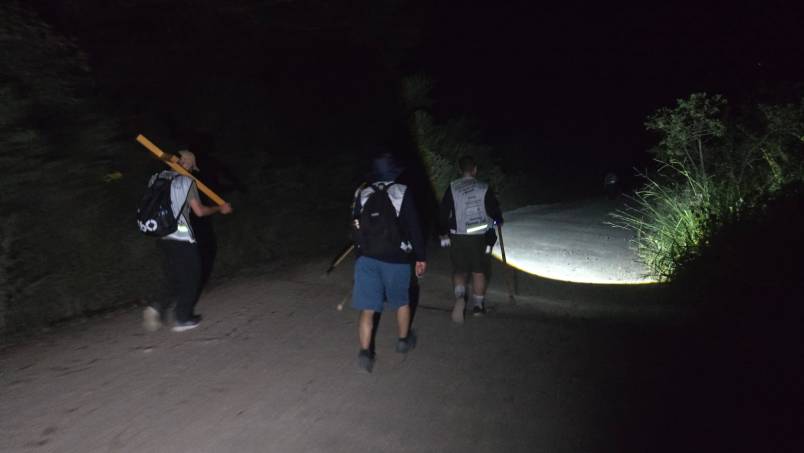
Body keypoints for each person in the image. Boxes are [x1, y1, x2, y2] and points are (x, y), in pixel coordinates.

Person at [351, 153, 427, 372]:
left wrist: (359, 256)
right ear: (393, 172)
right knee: (401, 301)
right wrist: (420, 256)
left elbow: (355, 227)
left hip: (367, 257)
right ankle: (403, 340)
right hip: (396, 258)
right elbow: (414, 227)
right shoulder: (401, 192)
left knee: (367, 308)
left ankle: (365, 353)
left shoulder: (363, 193)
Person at [143, 150, 233, 332]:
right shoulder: (186, 181)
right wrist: (219, 208)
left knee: (173, 275)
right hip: (181, 236)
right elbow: (199, 211)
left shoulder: (156, 178)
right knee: (193, 275)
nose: (192, 170)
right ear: (189, 164)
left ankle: (157, 307)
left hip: (161, 235)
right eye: (192, 166)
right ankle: (182, 318)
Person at [439, 155, 504, 323]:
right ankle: (478, 306)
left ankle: (460, 297)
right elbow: (494, 212)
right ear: (475, 169)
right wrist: (497, 220)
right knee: (478, 271)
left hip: (458, 235)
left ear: (460, 170)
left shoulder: (452, 187)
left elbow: (443, 212)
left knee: (459, 270)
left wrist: (443, 232)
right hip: (479, 237)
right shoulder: (484, 188)